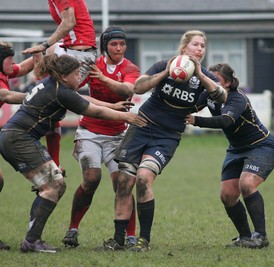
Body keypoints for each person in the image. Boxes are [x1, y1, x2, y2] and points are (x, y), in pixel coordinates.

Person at [0, 54, 146, 253]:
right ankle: (31, 241)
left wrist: (112, 105)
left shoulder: (53, 85)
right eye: (77, 74)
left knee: (52, 185)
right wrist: (126, 116)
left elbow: (83, 99)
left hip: (13, 137)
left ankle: (32, 239)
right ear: (63, 76)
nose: (80, 78)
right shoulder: (61, 91)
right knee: (54, 185)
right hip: (19, 139)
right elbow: (95, 112)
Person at [100, 30, 227, 251]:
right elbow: (138, 87)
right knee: (124, 182)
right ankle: (118, 240)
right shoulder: (162, 66)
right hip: (142, 126)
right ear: (184, 46)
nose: (199, 49)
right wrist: (166, 72)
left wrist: (199, 74)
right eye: (195, 45)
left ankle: (144, 240)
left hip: (167, 135)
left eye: (202, 46)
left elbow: (221, 95)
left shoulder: (205, 76)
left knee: (143, 178)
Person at [185, 63, 274, 249]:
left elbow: (226, 121)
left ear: (227, 83)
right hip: (236, 149)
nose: (211, 83)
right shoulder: (210, 95)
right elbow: (188, 106)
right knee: (227, 195)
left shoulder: (237, 98)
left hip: (261, 146)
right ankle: (245, 237)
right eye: (208, 79)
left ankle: (260, 236)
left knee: (247, 183)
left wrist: (196, 121)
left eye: (216, 80)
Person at [62, 26, 140, 248]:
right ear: (105, 46)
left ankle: (130, 236)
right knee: (91, 179)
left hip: (118, 135)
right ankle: (72, 229)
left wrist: (103, 79)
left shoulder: (130, 68)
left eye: (122, 44)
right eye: (114, 44)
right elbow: (72, 91)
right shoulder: (91, 66)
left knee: (123, 184)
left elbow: (127, 91)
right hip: (90, 133)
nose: (119, 48)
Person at [22, 0, 98, 175]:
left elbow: (69, 22)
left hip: (79, 55)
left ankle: (52, 164)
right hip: (69, 49)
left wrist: (44, 44)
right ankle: (9, 70)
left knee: (50, 100)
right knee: (38, 66)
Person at [0, 41, 42, 251]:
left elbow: (25, 68)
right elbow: (6, 96)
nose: (14, 63)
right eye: (10, 58)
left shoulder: (5, 72)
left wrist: (39, 52)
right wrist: (40, 97)